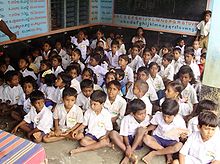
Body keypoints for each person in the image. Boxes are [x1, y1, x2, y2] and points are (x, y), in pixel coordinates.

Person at [142, 99, 187, 163]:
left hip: (171, 141)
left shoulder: (180, 121)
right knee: (145, 138)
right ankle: (167, 153)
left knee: (178, 146)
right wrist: (146, 129)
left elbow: (183, 135)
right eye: (164, 116)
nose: (166, 119)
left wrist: (183, 136)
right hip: (158, 138)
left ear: (175, 115)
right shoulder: (158, 115)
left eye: (168, 117)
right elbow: (154, 125)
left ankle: (154, 153)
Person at [69, 90, 113, 155]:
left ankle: (81, 149)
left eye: (95, 104)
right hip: (91, 135)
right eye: (91, 103)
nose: (92, 106)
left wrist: (106, 136)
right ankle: (100, 144)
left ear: (102, 104)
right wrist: (76, 130)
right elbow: (84, 124)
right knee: (83, 142)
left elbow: (109, 129)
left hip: (101, 136)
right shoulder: (88, 112)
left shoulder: (106, 114)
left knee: (104, 141)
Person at [109, 99, 150, 164]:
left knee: (141, 129)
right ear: (132, 114)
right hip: (126, 140)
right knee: (112, 133)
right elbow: (124, 134)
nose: (143, 115)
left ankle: (128, 155)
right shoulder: (126, 119)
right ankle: (130, 153)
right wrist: (128, 146)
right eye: (140, 114)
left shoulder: (147, 118)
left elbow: (147, 129)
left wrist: (145, 131)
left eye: (144, 112)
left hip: (138, 142)